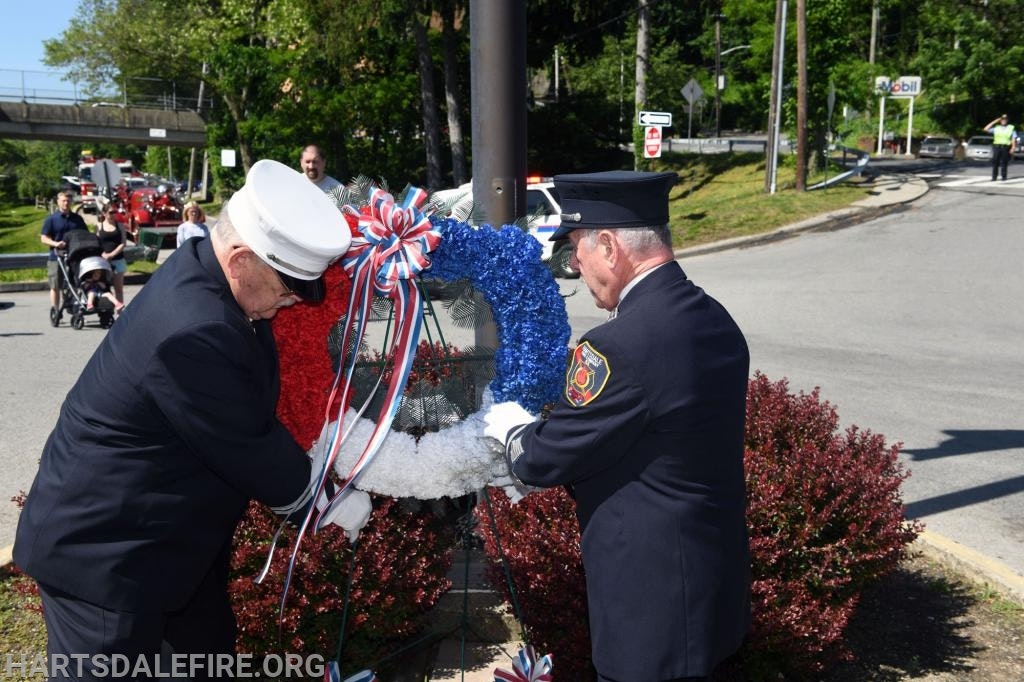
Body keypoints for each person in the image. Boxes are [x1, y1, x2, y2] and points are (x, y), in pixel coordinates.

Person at [14, 160, 372, 681]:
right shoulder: (192, 328)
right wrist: (331, 503)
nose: (293, 299)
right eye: (286, 285)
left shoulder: (209, 272)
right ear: (243, 257)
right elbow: (246, 441)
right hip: (106, 562)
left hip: (166, 551)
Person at [484, 171, 751, 682]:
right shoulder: (713, 316)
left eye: (577, 254)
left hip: (654, 611)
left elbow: (546, 457)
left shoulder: (620, 346)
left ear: (608, 246)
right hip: (710, 585)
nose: (578, 270)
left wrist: (509, 428)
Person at [40, 191, 88, 315]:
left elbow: (85, 235)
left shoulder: (77, 219)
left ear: (71, 202)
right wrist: (56, 244)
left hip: (74, 257)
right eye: (63, 201)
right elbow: (43, 238)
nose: (66, 203)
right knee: (55, 285)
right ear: (58, 202)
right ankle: (55, 310)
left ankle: (75, 306)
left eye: (68, 201)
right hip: (56, 257)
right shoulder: (51, 219)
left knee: (76, 283)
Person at [95, 204, 127, 304]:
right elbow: (96, 242)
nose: (113, 215)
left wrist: (112, 254)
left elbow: (123, 243)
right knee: (104, 288)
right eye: (110, 213)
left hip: (118, 260)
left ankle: (120, 313)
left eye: (114, 212)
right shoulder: (99, 226)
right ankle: (106, 310)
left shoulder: (120, 226)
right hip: (103, 261)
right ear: (104, 213)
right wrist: (103, 254)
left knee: (119, 289)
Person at [983, 113, 1016, 181]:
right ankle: (994, 177)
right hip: (997, 146)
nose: (1004, 121)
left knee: (1004, 162)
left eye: (1005, 119)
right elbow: (985, 129)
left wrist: (1013, 147)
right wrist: (995, 121)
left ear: (1007, 120)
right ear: (1000, 120)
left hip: (1005, 147)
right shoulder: (996, 128)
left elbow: (1013, 139)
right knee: (995, 162)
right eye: (1002, 119)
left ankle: (1004, 177)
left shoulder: (1011, 128)